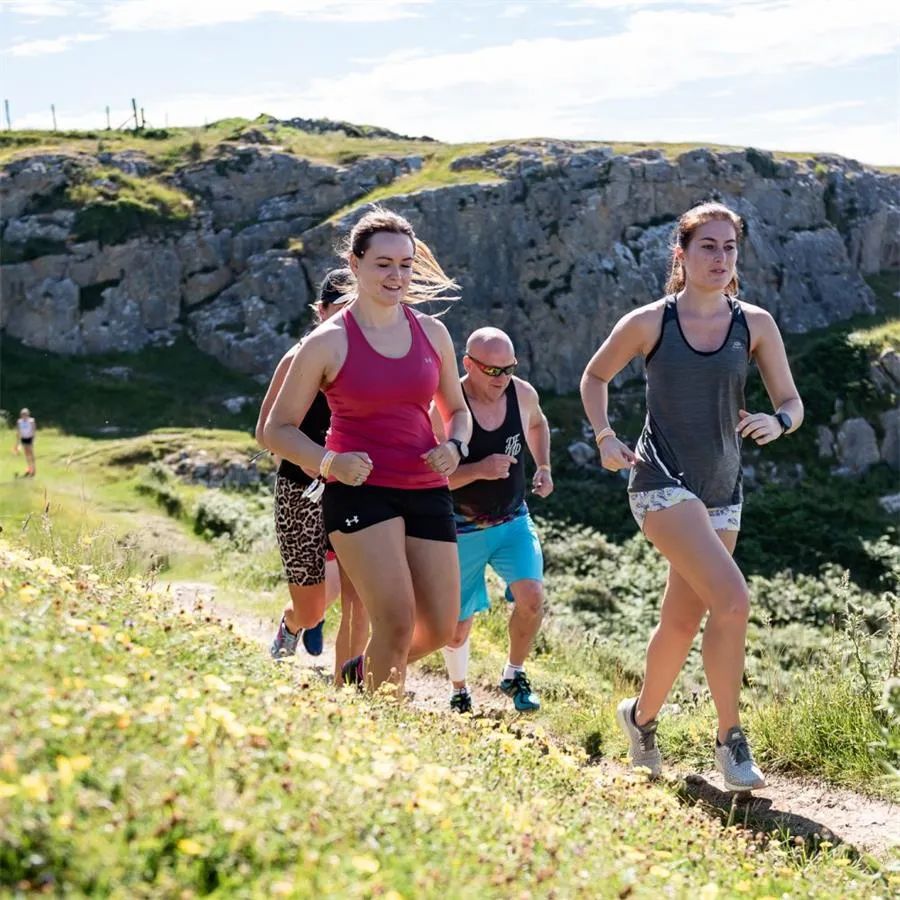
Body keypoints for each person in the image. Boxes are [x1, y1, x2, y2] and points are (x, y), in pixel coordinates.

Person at [580, 201, 803, 792]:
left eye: (730, 247)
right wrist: (604, 436)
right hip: (659, 481)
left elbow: (792, 402)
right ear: (681, 253)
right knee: (732, 600)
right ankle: (731, 741)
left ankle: (640, 719)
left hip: (723, 490)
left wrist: (779, 422)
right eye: (708, 245)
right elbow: (594, 376)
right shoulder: (651, 322)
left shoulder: (756, 324)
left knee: (682, 621)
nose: (720, 257)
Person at [264, 206, 472, 696]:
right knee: (396, 622)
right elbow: (275, 429)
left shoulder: (432, 332)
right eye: (383, 264)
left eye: (405, 264)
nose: (396, 275)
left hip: (426, 486)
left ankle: (358, 676)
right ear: (355, 264)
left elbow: (458, 411)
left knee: (440, 628)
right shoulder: (328, 341)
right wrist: (330, 462)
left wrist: (456, 445)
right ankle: (379, 719)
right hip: (359, 490)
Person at [255, 268, 369, 679]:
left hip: (356, 491)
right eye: (340, 309)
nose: (348, 320)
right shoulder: (298, 357)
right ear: (320, 311)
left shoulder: (372, 362)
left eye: (355, 310)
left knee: (360, 595)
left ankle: (352, 683)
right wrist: (313, 458)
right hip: (301, 492)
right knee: (313, 606)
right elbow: (265, 432)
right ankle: (293, 624)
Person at [433, 328, 553, 714]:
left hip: (512, 520)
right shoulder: (444, 407)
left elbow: (537, 424)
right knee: (456, 629)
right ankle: (459, 689)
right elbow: (430, 480)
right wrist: (479, 470)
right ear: (467, 364)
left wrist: (544, 466)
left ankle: (514, 673)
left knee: (532, 598)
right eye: (491, 370)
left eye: (508, 369)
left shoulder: (523, 394)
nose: (501, 379)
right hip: (459, 530)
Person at [14, 408, 36, 477]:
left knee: (31, 454)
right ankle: (29, 469)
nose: (24, 416)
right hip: (23, 438)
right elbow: (18, 431)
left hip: (29, 438)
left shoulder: (31, 421)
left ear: (28, 414)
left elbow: (33, 430)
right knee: (26, 454)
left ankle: (33, 469)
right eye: (23, 414)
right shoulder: (19, 421)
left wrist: (33, 438)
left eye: (25, 414)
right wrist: (17, 442)